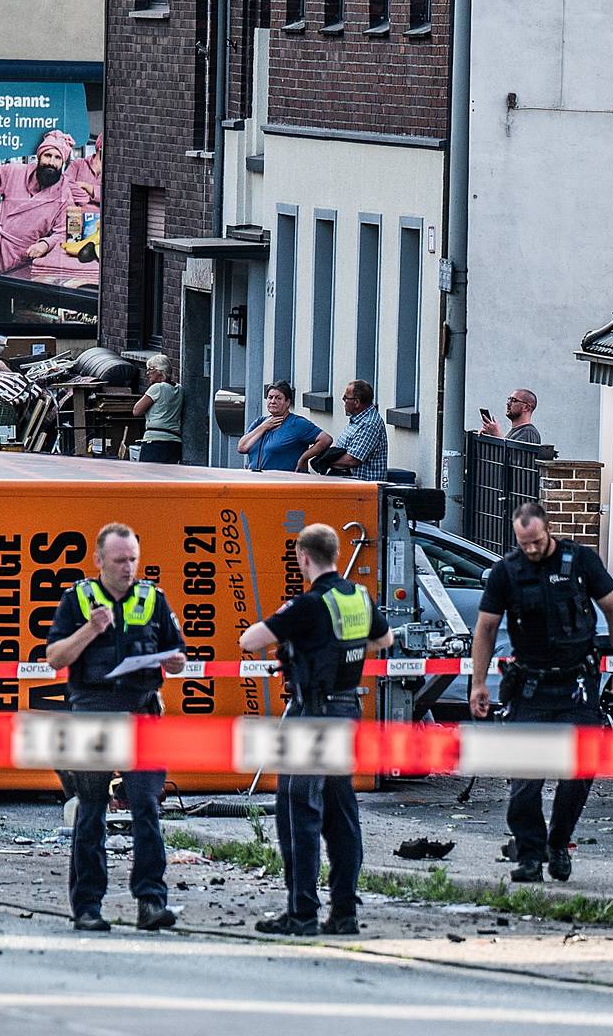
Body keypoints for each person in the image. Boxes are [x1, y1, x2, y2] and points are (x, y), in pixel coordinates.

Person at [471, 500, 613, 883]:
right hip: (530, 688)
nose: (530, 550)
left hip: (576, 686)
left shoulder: (580, 562)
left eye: (536, 542)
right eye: (523, 544)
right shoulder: (506, 572)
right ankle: (529, 854)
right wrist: (478, 682)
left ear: (549, 530)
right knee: (524, 781)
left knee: (579, 773)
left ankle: (558, 843)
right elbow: (486, 629)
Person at [241, 523, 393, 935]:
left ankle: (301, 912)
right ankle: (344, 912)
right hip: (347, 713)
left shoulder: (309, 604)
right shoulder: (358, 597)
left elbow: (250, 640)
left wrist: (300, 641)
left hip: (311, 714)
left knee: (298, 814)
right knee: (342, 817)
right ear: (337, 555)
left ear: (303, 557)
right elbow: (385, 640)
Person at [42, 523, 185, 932]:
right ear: (99, 560)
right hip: (94, 711)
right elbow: (55, 657)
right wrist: (91, 629)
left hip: (141, 711)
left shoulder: (152, 598)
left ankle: (151, 903)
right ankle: (87, 906)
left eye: (133, 560)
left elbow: (176, 652)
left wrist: (173, 662)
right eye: (120, 560)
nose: (128, 568)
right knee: (91, 811)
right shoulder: (79, 600)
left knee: (146, 807)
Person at [0, 129, 101, 321]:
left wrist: (44, 245)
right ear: (39, 156)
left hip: (28, 257)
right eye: (47, 155)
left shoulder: (64, 193)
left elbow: (61, 232)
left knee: (18, 311)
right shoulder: (15, 172)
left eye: (57, 158)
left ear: (63, 162)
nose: (51, 162)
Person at [237, 381, 331, 472]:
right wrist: (263, 427)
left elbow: (326, 440)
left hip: (284, 483)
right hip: (256, 482)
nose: (273, 401)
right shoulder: (260, 422)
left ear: (287, 402)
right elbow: (242, 447)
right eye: (270, 397)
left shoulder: (297, 424)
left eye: (278, 398)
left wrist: (303, 458)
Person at [310, 380, 389, 479]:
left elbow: (351, 460)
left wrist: (325, 461)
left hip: (362, 488)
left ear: (356, 402)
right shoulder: (358, 420)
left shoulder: (369, 425)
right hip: (348, 484)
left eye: (346, 398)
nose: (343, 400)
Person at [130, 359, 182, 464]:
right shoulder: (179, 388)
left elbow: (136, 410)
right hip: (174, 441)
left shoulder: (157, 388)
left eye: (150, 369)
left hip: (155, 441)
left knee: (149, 478)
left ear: (160, 371)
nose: (147, 373)